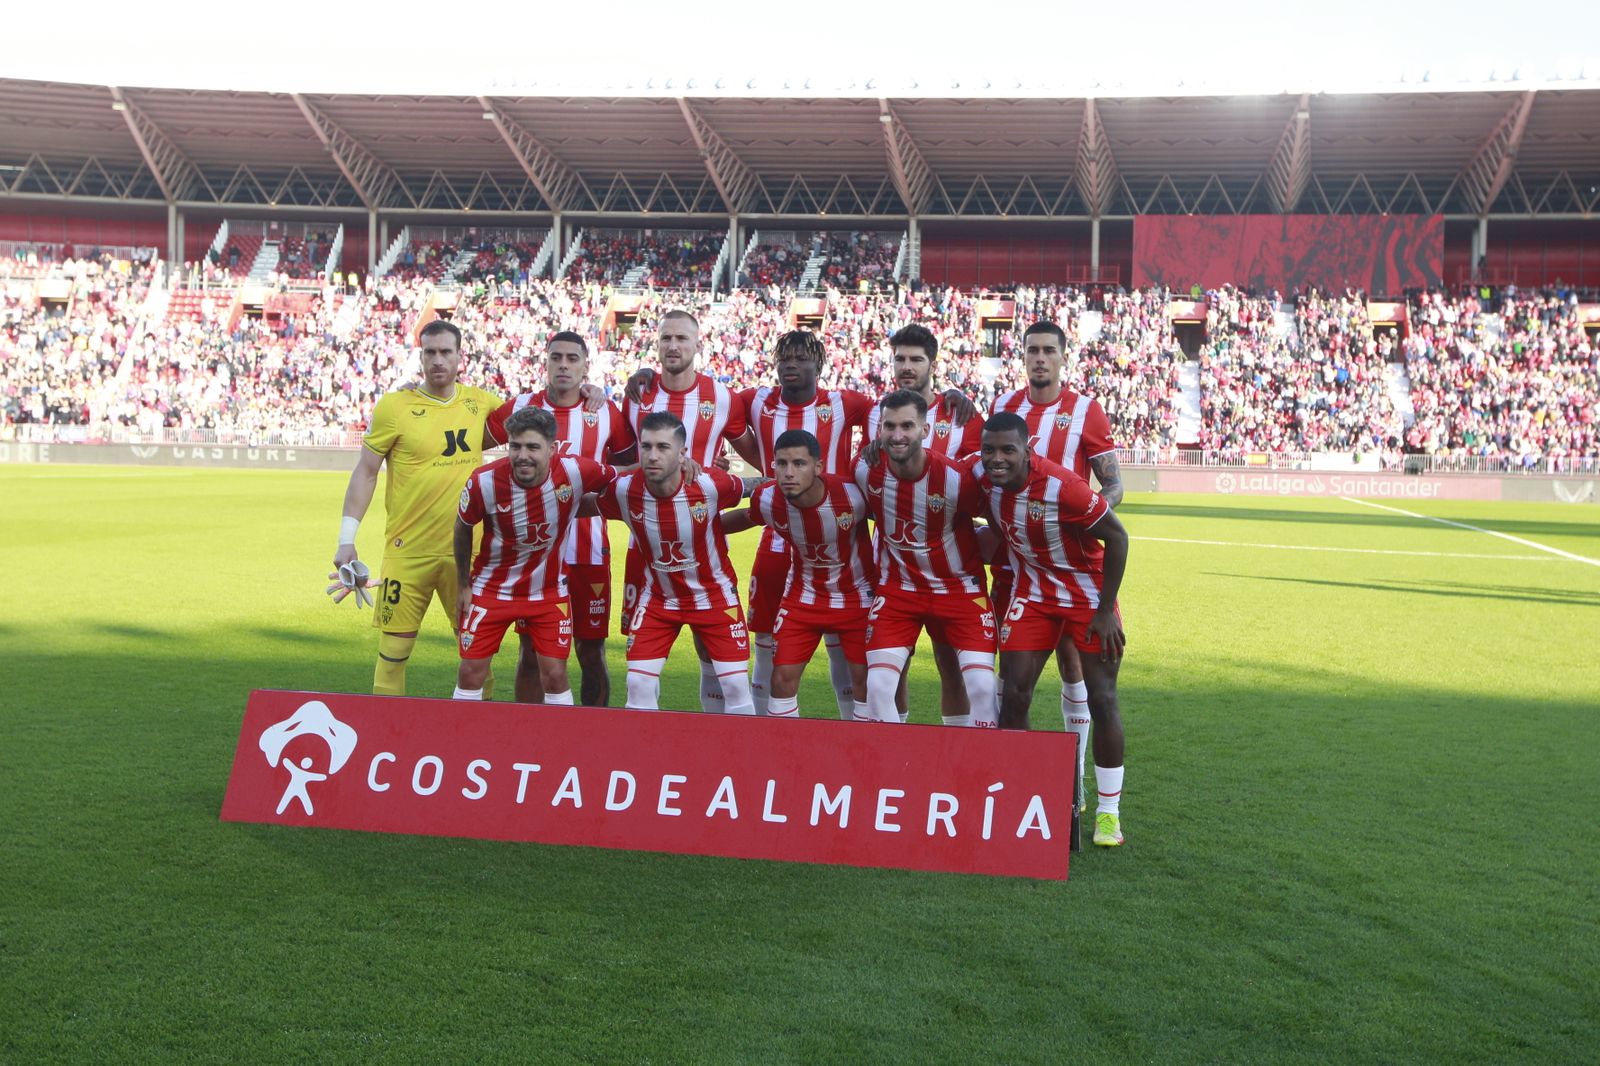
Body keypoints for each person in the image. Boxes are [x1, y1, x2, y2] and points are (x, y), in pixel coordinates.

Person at [977, 412, 1131, 847]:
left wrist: (1104, 611)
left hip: (1087, 597)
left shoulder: (1065, 487)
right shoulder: (984, 478)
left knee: (1102, 698)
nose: (997, 459)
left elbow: (1118, 539)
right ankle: (1020, 799)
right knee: (1014, 695)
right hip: (1034, 596)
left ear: (1029, 450)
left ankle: (1107, 815)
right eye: (990, 450)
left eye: (1008, 450)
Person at [992, 320, 1124, 806]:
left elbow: (1113, 486)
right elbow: (983, 469)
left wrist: (1079, 517)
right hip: (1018, 568)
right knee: (1012, 685)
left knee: (1076, 670)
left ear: (1063, 357)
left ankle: (1079, 788)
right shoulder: (1004, 407)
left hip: (1075, 563)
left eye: (1049, 350)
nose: (1040, 358)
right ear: (1022, 356)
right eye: (1032, 351)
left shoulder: (1086, 411)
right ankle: (1020, 790)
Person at [332, 319, 501, 696]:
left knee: (477, 655)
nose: (438, 360)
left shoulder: (482, 403)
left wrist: (589, 392)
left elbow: (539, 421)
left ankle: (484, 741)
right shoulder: (395, 407)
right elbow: (366, 473)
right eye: (430, 352)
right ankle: (384, 743)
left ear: (461, 357)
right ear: (420, 356)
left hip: (468, 555)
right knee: (393, 651)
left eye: (445, 352)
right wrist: (347, 539)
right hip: (407, 553)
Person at [484, 331, 636, 707]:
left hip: (588, 550)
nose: (564, 365)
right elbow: (468, 435)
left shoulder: (604, 411)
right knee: (532, 651)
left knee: (590, 652)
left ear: (586, 365)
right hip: (532, 554)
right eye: (557, 357)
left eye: (572, 358)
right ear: (546, 361)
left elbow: (630, 466)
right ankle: (528, 738)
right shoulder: (520, 406)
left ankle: (591, 738)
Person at [619, 310, 752, 713]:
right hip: (645, 546)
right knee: (639, 663)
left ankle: (718, 742)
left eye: (681, 338)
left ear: (698, 344)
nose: (673, 346)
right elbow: (621, 460)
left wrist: (712, 474)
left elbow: (758, 457)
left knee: (711, 650)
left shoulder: (724, 397)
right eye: (666, 339)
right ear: (656, 344)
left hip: (703, 540)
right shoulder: (637, 394)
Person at [738, 330, 873, 718]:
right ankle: (767, 727)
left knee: (843, 644)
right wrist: (763, 465)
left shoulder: (843, 403)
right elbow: (724, 421)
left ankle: (853, 725)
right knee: (766, 637)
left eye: (801, 358)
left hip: (841, 533)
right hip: (779, 533)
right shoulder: (757, 400)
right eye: (785, 357)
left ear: (819, 364)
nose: (791, 364)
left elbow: (888, 416)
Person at [597, 412, 762, 715]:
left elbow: (755, 488)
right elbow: (583, 503)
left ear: (683, 454)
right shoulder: (623, 490)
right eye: (646, 447)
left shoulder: (711, 484)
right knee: (637, 686)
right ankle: (645, 760)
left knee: (737, 687)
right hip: (659, 600)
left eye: (663, 447)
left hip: (713, 596)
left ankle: (738, 760)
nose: (652, 455)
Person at [451, 406, 617, 704]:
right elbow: (463, 527)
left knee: (554, 674)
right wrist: (463, 585)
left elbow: (625, 478)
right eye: (515, 446)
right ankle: (466, 745)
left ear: (552, 449)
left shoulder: (576, 471)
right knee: (470, 672)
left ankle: (557, 747)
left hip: (548, 593)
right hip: (492, 590)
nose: (522, 455)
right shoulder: (483, 482)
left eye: (532, 447)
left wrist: (681, 466)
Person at [853, 390, 997, 726]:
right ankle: (895, 772)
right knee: (878, 687)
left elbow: (997, 522)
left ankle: (968, 772)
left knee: (981, 687)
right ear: (879, 431)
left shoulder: (956, 479)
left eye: (907, 426)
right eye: (889, 426)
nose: (897, 435)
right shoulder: (865, 470)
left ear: (925, 430)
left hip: (960, 591)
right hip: (898, 591)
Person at [866, 324, 982, 724]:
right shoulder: (876, 413)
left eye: (916, 359)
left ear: (933, 363)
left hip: (950, 570)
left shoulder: (961, 413)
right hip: (895, 567)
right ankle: (901, 756)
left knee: (950, 664)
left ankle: (958, 754)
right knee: (893, 671)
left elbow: (978, 482)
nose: (906, 366)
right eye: (900, 358)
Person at [720, 429, 875, 720]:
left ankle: (862, 756)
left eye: (799, 464)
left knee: (864, 682)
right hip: (803, 599)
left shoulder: (852, 496)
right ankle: (781, 757)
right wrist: (699, 529)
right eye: (781, 464)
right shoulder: (767, 499)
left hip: (856, 599)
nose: (789, 473)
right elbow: (744, 518)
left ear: (817, 468)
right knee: (781, 679)